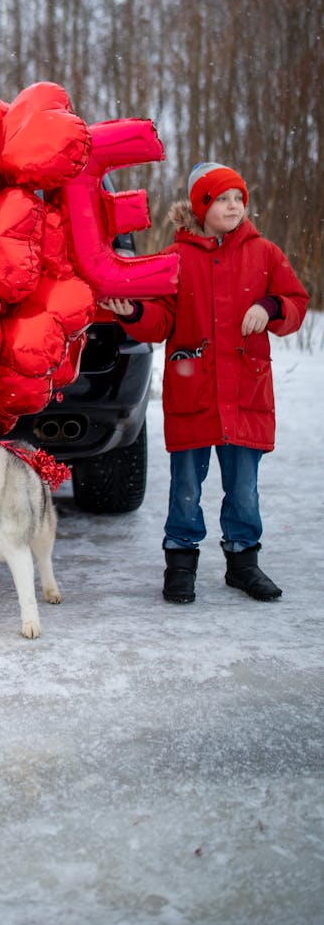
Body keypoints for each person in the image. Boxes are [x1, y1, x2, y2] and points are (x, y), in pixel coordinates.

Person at [102, 160, 308, 605]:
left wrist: (271, 306)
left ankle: (243, 562)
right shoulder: (176, 259)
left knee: (244, 488)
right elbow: (161, 320)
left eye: (239, 198)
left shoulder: (264, 253)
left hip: (246, 391)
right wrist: (133, 312)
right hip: (193, 388)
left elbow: (296, 302)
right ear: (201, 207)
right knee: (186, 487)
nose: (234, 206)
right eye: (223, 199)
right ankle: (180, 562)